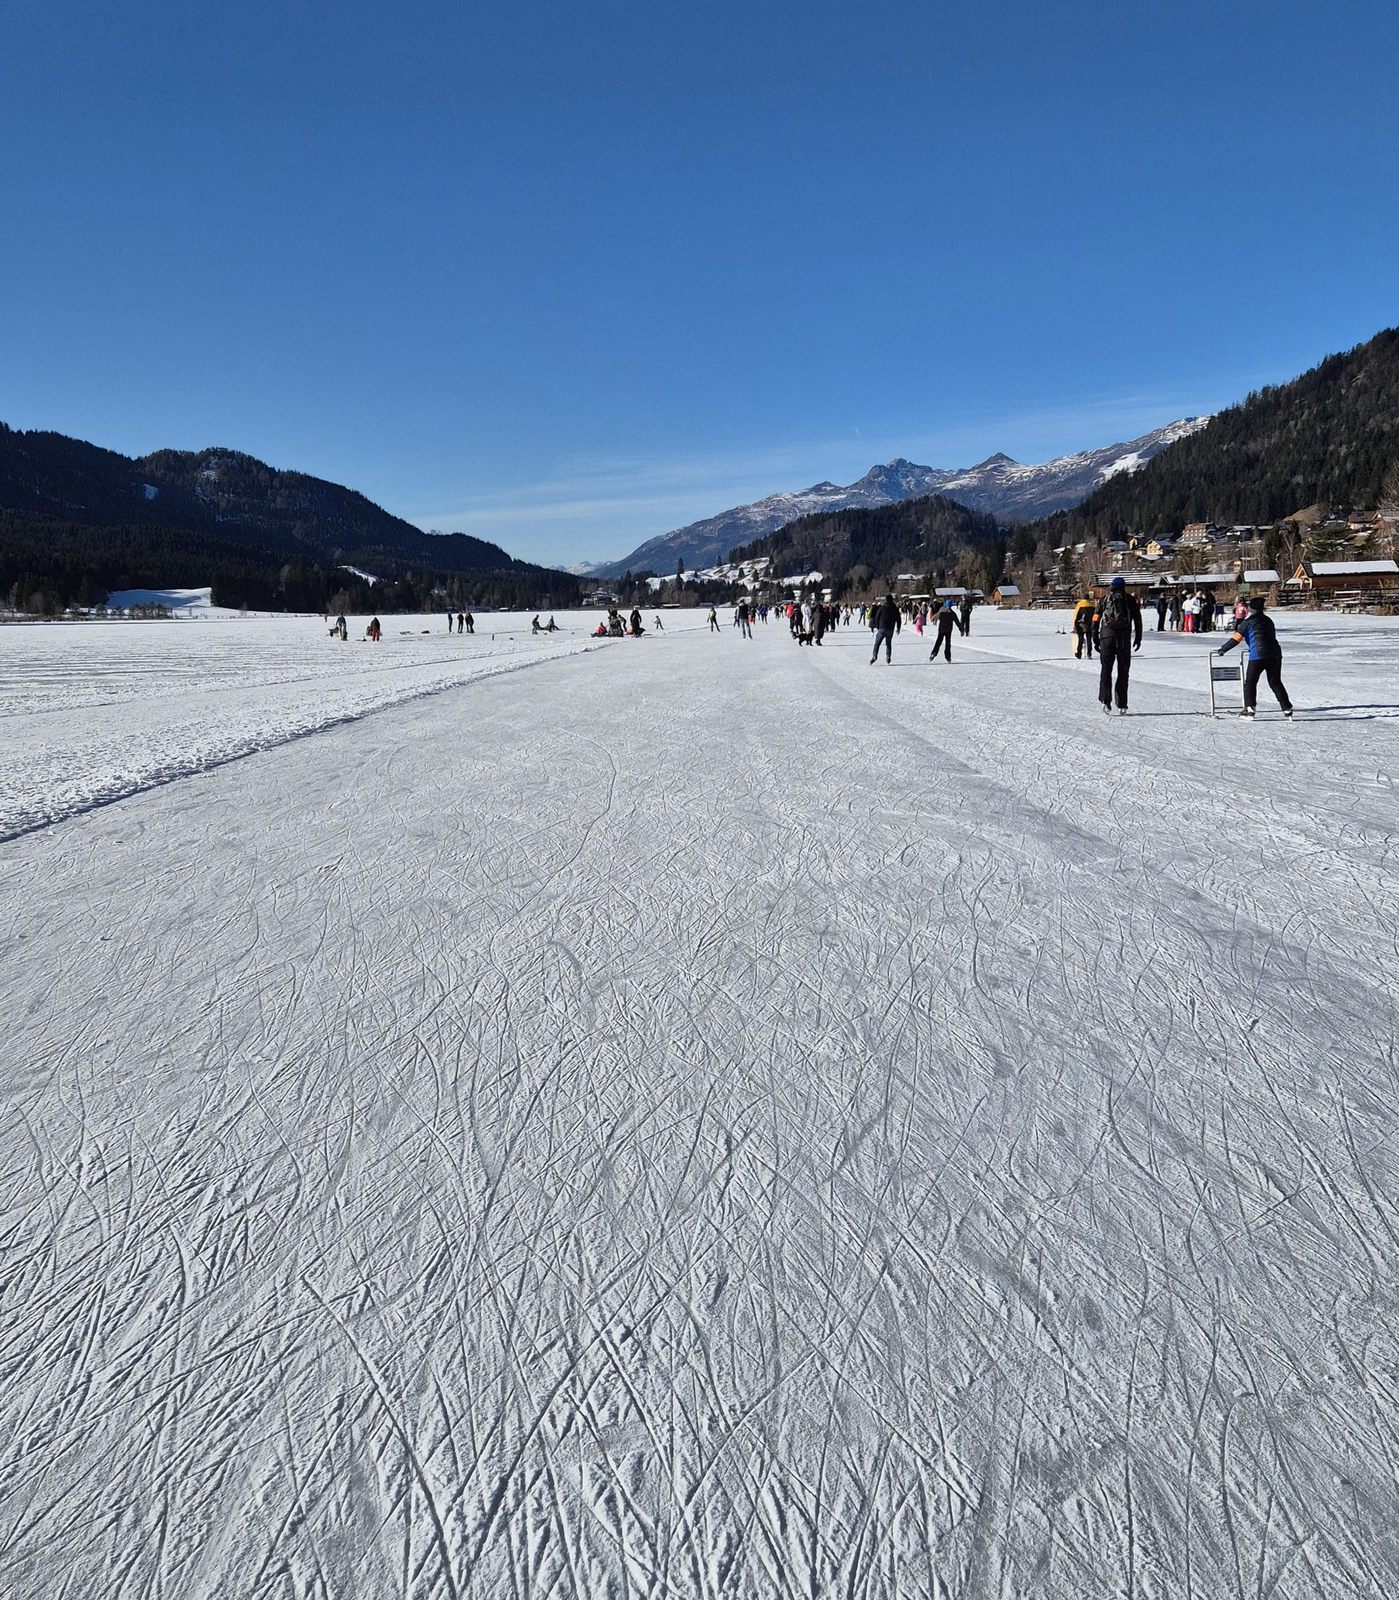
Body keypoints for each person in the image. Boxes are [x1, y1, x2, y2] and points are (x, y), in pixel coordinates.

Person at [1216, 596, 1293, 718]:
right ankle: (1287, 707)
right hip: (1275, 654)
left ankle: (1249, 708)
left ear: (1251, 609)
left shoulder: (1247, 622)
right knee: (1275, 681)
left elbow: (1236, 639)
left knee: (1251, 682)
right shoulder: (1269, 620)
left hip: (1258, 654)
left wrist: (1223, 649)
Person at [1092, 576, 1141, 714]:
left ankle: (1105, 701)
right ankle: (1122, 704)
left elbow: (1095, 619)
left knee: (1106, 670)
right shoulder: (1130, 600)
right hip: (1123, 639)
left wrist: (1095, 637)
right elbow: (1137, 619)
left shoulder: (1104, 600)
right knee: (1123, 671)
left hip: (1107, 638)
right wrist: (1138, 637)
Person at [869, 593, 901, 664]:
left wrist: (877, 626)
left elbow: (877, 617)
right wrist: (898, 628)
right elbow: (898, 619)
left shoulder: (882, 608)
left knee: (877, 643)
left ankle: (874, 655)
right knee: (888, 643)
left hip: (882, 627)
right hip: (890, 628)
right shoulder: (895, 608)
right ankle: (888, 656)